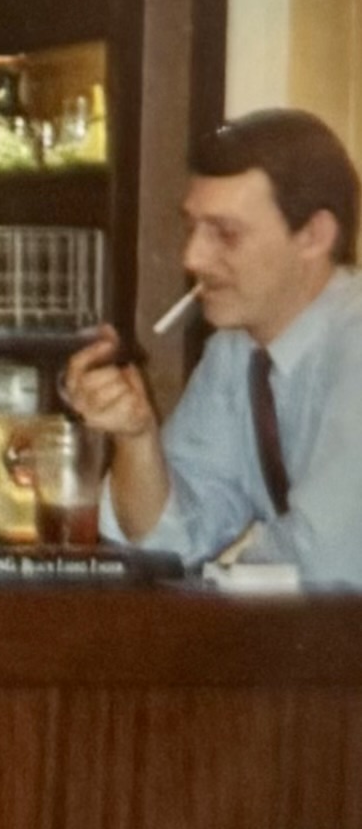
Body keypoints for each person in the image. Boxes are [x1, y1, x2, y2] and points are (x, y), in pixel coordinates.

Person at [64, 108, 362, 589]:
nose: (192, 258)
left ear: (313, 236)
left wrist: (205, 593)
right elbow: (166, 543)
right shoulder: (236, 352)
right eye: (191, 228)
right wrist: (136, 436)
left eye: (225, 233)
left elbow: (327, 565)